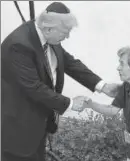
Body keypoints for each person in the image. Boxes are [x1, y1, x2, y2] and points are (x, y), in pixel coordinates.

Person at [1, 2, 119, 161]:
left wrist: (102, 86)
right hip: (19, 127)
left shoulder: (47, 35)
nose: (68, 36)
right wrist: (70, 103)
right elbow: (34, 88)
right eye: (66, 32)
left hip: (38, 122)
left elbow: (69, 63)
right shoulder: (19, 45)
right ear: (49, 28)